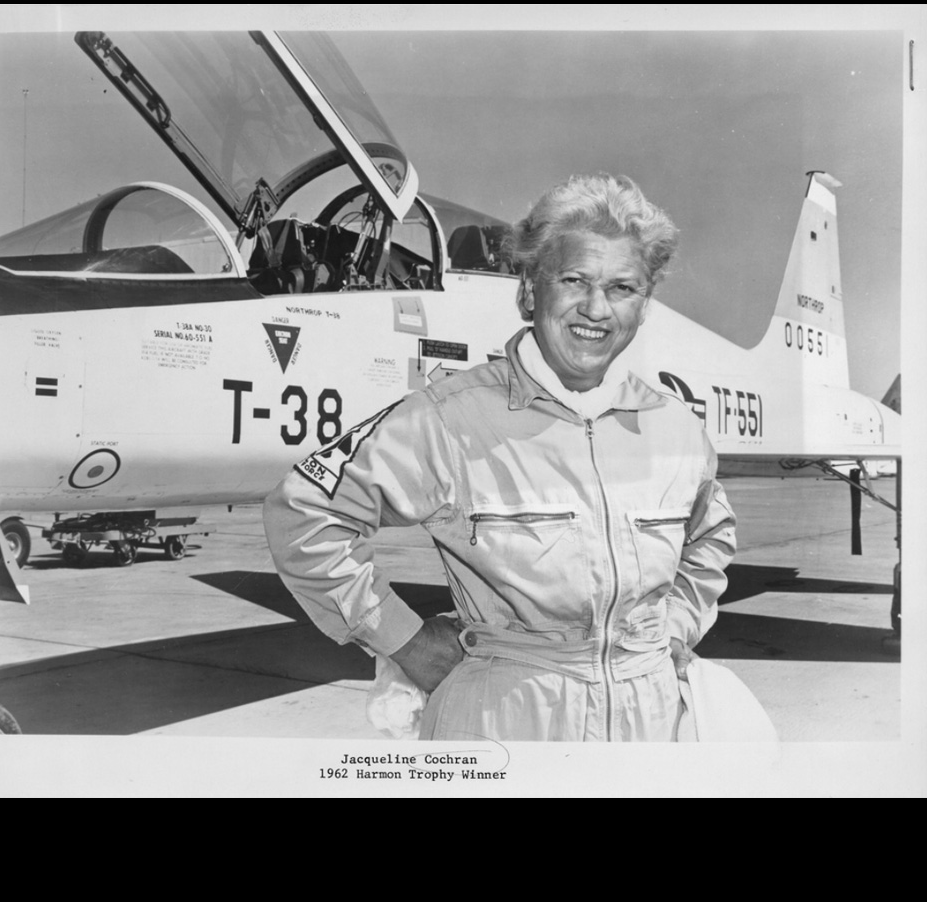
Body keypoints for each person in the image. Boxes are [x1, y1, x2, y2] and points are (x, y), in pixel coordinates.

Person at [264, 173, 736, 741]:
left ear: (644, 305)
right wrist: (401, 639)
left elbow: (711, 536)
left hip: (650, 728)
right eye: (573, 280)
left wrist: (676, 629)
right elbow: (304, 513)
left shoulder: (677, 430)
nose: (595, 308)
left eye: (622, 288)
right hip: (503, 729)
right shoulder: (446, 418)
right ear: (530, 291)